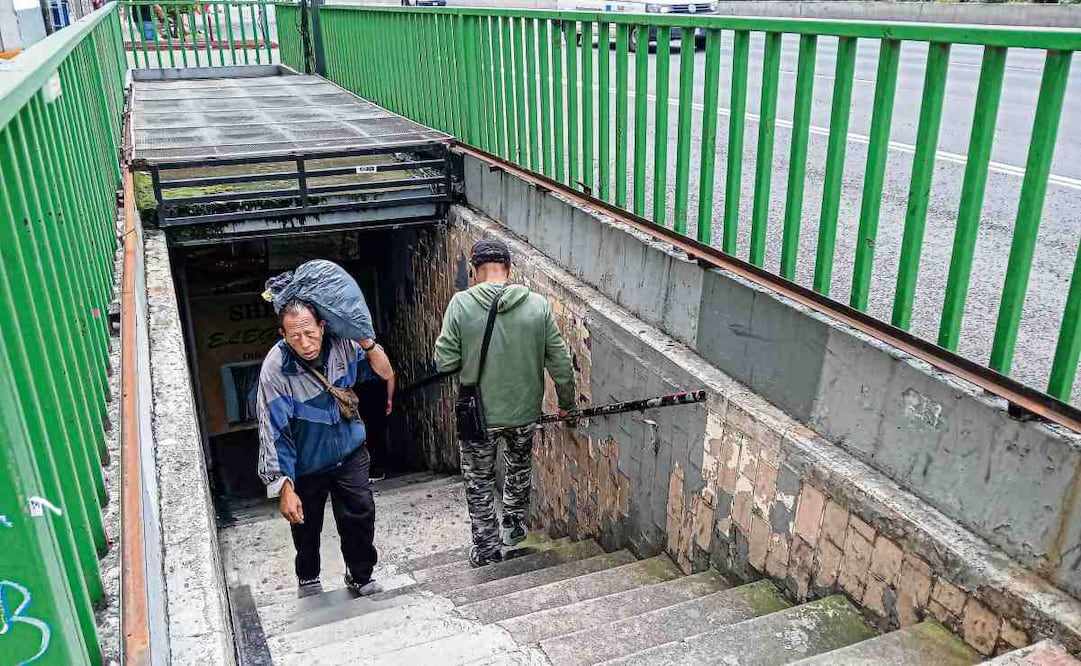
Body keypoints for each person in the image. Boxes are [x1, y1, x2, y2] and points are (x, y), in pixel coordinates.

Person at [434, 238, 577, 567]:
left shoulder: (461, 304)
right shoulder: (538, 306)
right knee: (518, 468)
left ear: (474, 271)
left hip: (479, 414)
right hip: (524, 411)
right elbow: (560, 363)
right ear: (509, 270)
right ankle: (513, 528)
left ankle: (486, 548)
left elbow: (445, 362)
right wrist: (567, 403)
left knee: (479, 479)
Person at [256, 299, 388, 598]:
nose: (305, 343)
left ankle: (360, 574)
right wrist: (284, 487)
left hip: (349, 450)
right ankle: (308, 575)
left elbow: (383, 371)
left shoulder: (343, 345)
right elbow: (274, 430)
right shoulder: (275, 370)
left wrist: (367, 342)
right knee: (306, 523)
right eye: (295, 337)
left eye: (310, 333)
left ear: (322, 326)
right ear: (283, 336)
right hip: (306, 461)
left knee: (360, 512)